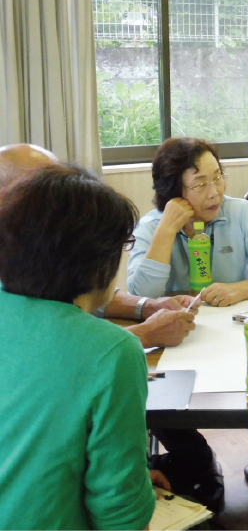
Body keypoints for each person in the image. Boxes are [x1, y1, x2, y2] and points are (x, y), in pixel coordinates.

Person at [127, 137, 248, 511]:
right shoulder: (152, 226)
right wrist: (168, 229)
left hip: (237, 331)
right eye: (199, 183)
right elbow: (140, 289)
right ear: (175, 191)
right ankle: (200, 462)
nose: (214, 190)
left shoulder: (240, 212)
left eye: (217, 177)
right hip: (175, 340)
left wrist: (239, 289)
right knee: (158, 401)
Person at [0, 165, 164, 529]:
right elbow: (122, 518)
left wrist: (127, 477)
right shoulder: (113, 351)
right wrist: (129, 491)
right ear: (98, 262)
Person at [0, 143, 199, 349]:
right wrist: (141, 335)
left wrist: (146, 306)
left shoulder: (36, 238)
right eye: (45, 188)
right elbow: (34, 345)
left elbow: (74, 293)